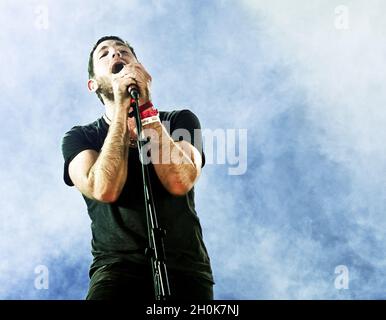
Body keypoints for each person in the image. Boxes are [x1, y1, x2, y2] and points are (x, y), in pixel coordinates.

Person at [61, 35, 214, 300]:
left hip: (186, 270)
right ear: (93, 84)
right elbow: (103, 188)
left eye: (123, 52)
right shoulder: (81, 137)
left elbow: (181, 180)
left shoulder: (179, 120)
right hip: (116, 272)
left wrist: (145, 110)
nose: (116, 55)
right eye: (105, 54)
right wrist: (121, 110)